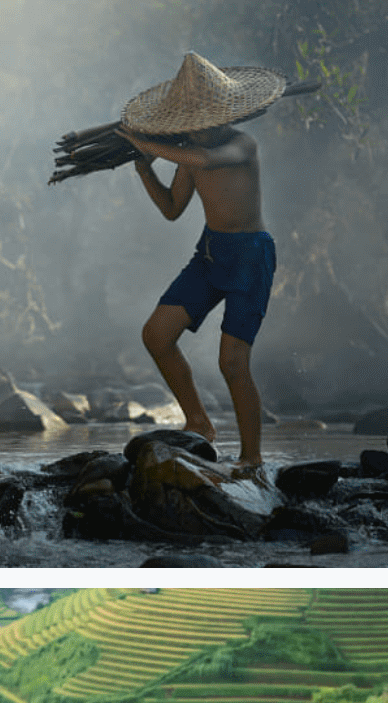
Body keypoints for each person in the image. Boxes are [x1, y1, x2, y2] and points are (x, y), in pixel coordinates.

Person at [117, 53, 283, 472]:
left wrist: (146, 142)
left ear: (225, 116)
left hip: (250, 256)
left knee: (232, 362)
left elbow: (203, 161)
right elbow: (173, 208)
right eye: (192, 122)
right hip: (210, 254)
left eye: (205, 120)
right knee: (156, 335)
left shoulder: (241, 144)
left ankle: (252, 457)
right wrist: (143, 169)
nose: (199, 129)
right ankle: (198, 421)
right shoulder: (187, 150)